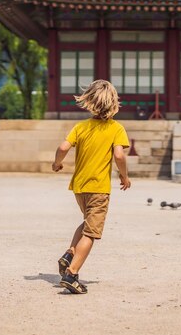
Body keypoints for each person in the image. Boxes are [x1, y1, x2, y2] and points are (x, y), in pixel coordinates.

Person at [52, 80, 131, 294]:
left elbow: (62, 147)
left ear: (89, 102)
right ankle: (72, 273)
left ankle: (69, 253)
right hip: (99, 188)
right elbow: (119, 155)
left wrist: (57, 163)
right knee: (92, 233)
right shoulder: (116, 128)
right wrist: (124, 176)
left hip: (79, 187)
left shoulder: (81, 127)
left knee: (87, 221)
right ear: (114, 104)